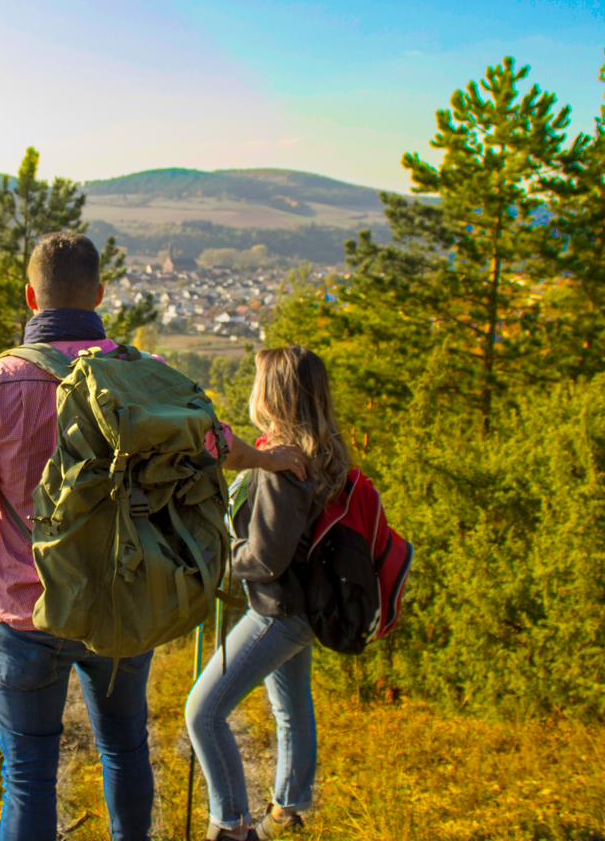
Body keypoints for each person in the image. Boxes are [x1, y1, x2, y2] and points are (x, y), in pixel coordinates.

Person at [0, 232, 305, 841]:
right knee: (126, 748)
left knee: (27, 776)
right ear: (101, 294)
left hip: (25, 616)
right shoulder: (147, 375)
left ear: (31, 297)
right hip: (124, 599)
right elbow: (216, 445)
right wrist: (271, 462)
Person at [185, 345, 352, 841]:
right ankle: (290, 809)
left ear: (274, 394)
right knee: (291, 706)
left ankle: (231, 824)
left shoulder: (285, 462)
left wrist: (212, 557)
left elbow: (263, 559)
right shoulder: (324, 450)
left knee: (203, 711)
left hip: (281, 610)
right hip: (304, 604)